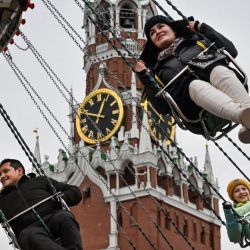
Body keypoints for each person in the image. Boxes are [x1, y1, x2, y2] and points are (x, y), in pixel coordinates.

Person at [135, 15, 250, 143]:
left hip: (217, 76)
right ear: (152, 42)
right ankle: (242, 116)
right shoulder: (155, 70)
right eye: (152, 33)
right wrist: (144, 76)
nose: (158, 32)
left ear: (173, 29)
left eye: (161, 26)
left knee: (219, 70)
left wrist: (202, 28)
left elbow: (231, 51)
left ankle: (246, 114)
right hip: (192, 106)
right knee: (195, 86)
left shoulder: (196, 40)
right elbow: (162, 108)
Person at [0, 158, 83, 250]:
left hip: (53, 218)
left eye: (5, 171)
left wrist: (60, 198)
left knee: (64, 217)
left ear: (19, 171)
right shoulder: (1, 200)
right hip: (29, 229)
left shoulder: (40, 181)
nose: (2, 176)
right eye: (0, 174)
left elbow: (74, 191)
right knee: (29, 235)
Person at [223, 179, 250, 243]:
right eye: (237, 191)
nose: (241, 192)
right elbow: (234, 237)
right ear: (233, 197)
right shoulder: (234, 215)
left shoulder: (235, 212)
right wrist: (228, 212)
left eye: (244, 189)